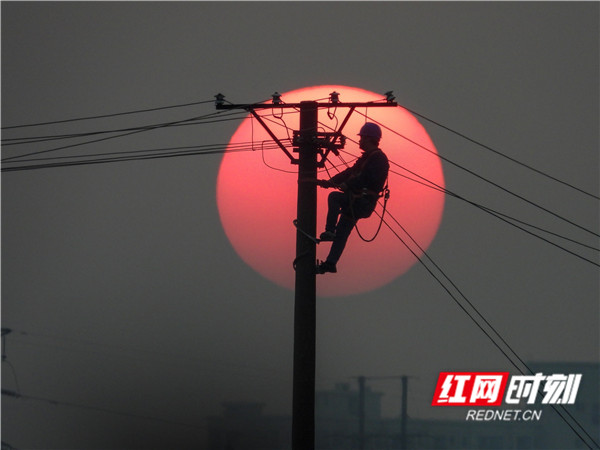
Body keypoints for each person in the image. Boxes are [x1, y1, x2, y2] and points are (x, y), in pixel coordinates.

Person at [315, 122, 389, 274]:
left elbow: (367, 178)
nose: (360, 141)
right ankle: (330, 263)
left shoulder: (379, 159)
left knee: (334, 197)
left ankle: (329, 230)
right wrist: (330, 182)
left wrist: (347, 185)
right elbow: (350, 172)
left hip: (362, 201)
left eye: (362, 138)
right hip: (357, 201)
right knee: (342, 231)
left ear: (369, 138)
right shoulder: (367, 158)